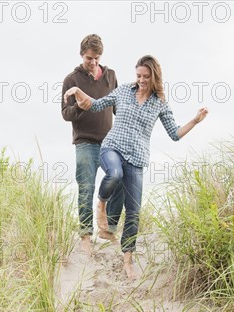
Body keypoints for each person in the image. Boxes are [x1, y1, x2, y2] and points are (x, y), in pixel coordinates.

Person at [64, 55, 208, 278]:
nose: (141, 80)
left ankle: (128, 261)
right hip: (112, 147)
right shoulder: (123, 91)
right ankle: (101, 204)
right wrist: (77, 92)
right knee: (114, 173)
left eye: (145, 76)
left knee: (133, 212)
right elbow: (97, 104)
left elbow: (175, 134)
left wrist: (195, 121)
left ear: (154, 76)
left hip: (138, 158)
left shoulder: (159, 103)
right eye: (138, 75)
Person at [61, 34, 124, 254]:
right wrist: (80, 106)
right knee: (86, 188)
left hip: (109, 142)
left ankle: (108, 228)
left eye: (97, 58)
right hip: (85, 143)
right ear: (81, 55)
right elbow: (66, 114)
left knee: (119, 177)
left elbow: (118, 108)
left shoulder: (111, 76)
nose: (93, 62)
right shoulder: (71, 80)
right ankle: (86, 235)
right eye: (89, 58)